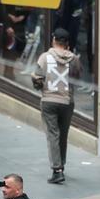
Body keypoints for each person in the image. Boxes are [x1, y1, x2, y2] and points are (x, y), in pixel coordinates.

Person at [34, 29, 80, 184]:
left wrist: (40, 83)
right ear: (67, 43)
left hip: (49, 100)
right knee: (63, 134)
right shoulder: (74, 59)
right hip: (67, 101)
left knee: (53, 134)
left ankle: (57, 169)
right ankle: (62, 164)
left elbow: (37, 78)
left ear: (53, 40)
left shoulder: (44, 57)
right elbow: (76, 78)